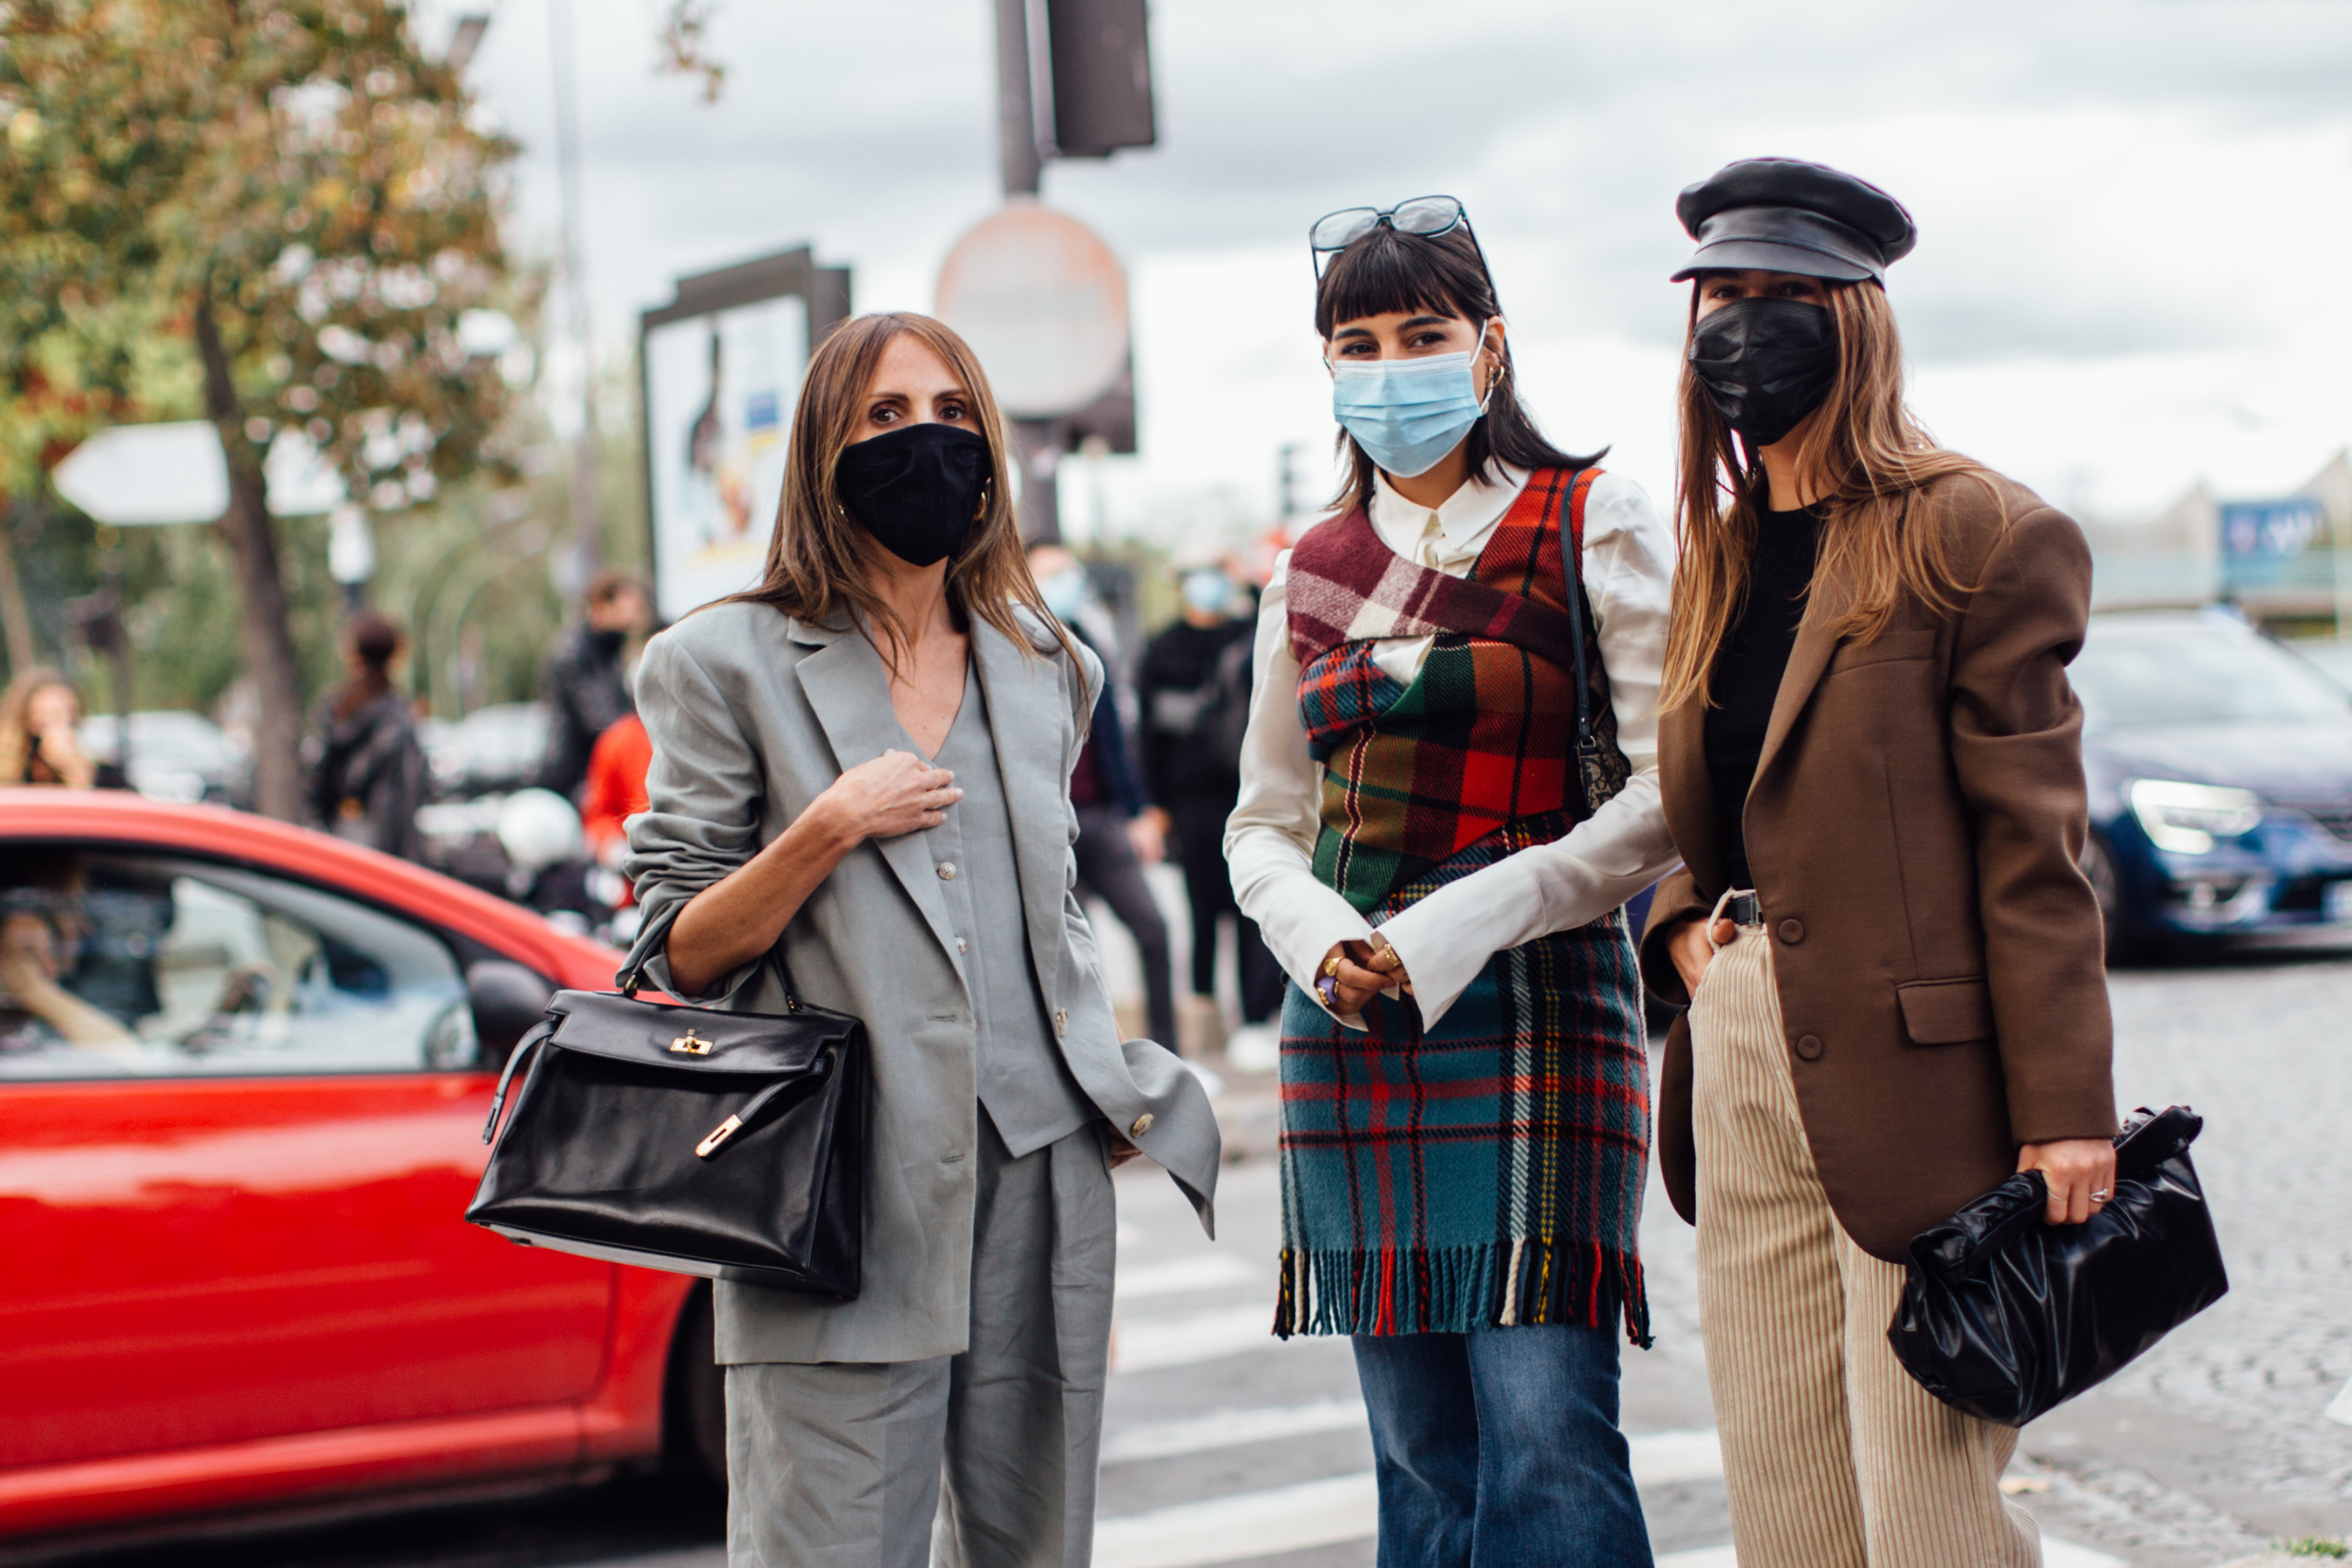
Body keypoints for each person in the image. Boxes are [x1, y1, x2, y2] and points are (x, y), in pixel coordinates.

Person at [622, 311, 1218, 1568]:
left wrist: (1096, 1075)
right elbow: (671, 955)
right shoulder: (721, 662)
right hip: (838, 1196)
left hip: (1036, 1184)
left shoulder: (1046, 661)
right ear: (823, 451)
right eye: (887, 418)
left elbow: (1050, 908)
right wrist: (824, 828)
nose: (927, 441)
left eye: (953, 415)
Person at [1639, 158, 2119, 1568]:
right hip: (1741, 1056)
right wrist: (1680, 929)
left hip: (1927, 1090)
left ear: (1861, 320)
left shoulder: (1979, 533)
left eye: (1790, 296)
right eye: (1724, 295)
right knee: (1788, 1518)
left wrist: (2068, 1112)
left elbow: (2036, 852)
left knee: (1927, 1520)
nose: (1748, 325)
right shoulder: (1717, 556)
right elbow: (1713, 807)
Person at [1226, 196, 1680, 1565]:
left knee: (1549, 1435)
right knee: (1419, 1461)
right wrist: (1325, 946)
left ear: (1489, 348)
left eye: (1421, 332)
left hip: (1541, 1007)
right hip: (1355, 1026)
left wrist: (1469, 922)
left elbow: (1672, 797)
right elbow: (1263, 822)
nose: (1390, 365)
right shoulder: (1306, 570)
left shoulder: (1588, 520)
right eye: (1355, 341)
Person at [1027, 541, 1180, 1058]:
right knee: (1076, 955)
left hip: (1099, 818)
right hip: (1047, 825)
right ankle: (1095, 1063)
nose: (1064, 582)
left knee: (1153, 932)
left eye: (1068, 572)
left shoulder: (1088, 640)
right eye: (1050, 573)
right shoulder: (1010, 648)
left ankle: (1166, 1058)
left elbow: (1113, 736)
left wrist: (1137, 812)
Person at [1138, 556, 1285, 1063]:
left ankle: (1254, 1020)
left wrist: (1247, 574)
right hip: (1189, 803)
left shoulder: (1248, 634)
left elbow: (1279, 611)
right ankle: (1205, 1030)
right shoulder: (1163, 647)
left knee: (1253, 910)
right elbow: (1148, 737)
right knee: (1200, 913)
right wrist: (1154, 805)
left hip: (1247, 791)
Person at [307, 612, 426, 860]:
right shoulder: (398, 721)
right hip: (385, 861)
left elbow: (314, 784)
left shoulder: (335, 713)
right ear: (396, 655)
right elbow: (408, 799)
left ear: (352, 655)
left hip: (337, 850)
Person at [537, 570, 650, 799]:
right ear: (601, 606)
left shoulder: (606, 651)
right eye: (627, 609)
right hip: (576, 779)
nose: (632, 620)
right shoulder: (576, 653)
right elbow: (604, 720)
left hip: (595, 773)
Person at [0, 669, 127, 790]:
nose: (60, 725)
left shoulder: (105, 776)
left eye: (69, 714)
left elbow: (131, 805)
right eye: (48, 714)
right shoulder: (13, 776)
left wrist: (75, 771)